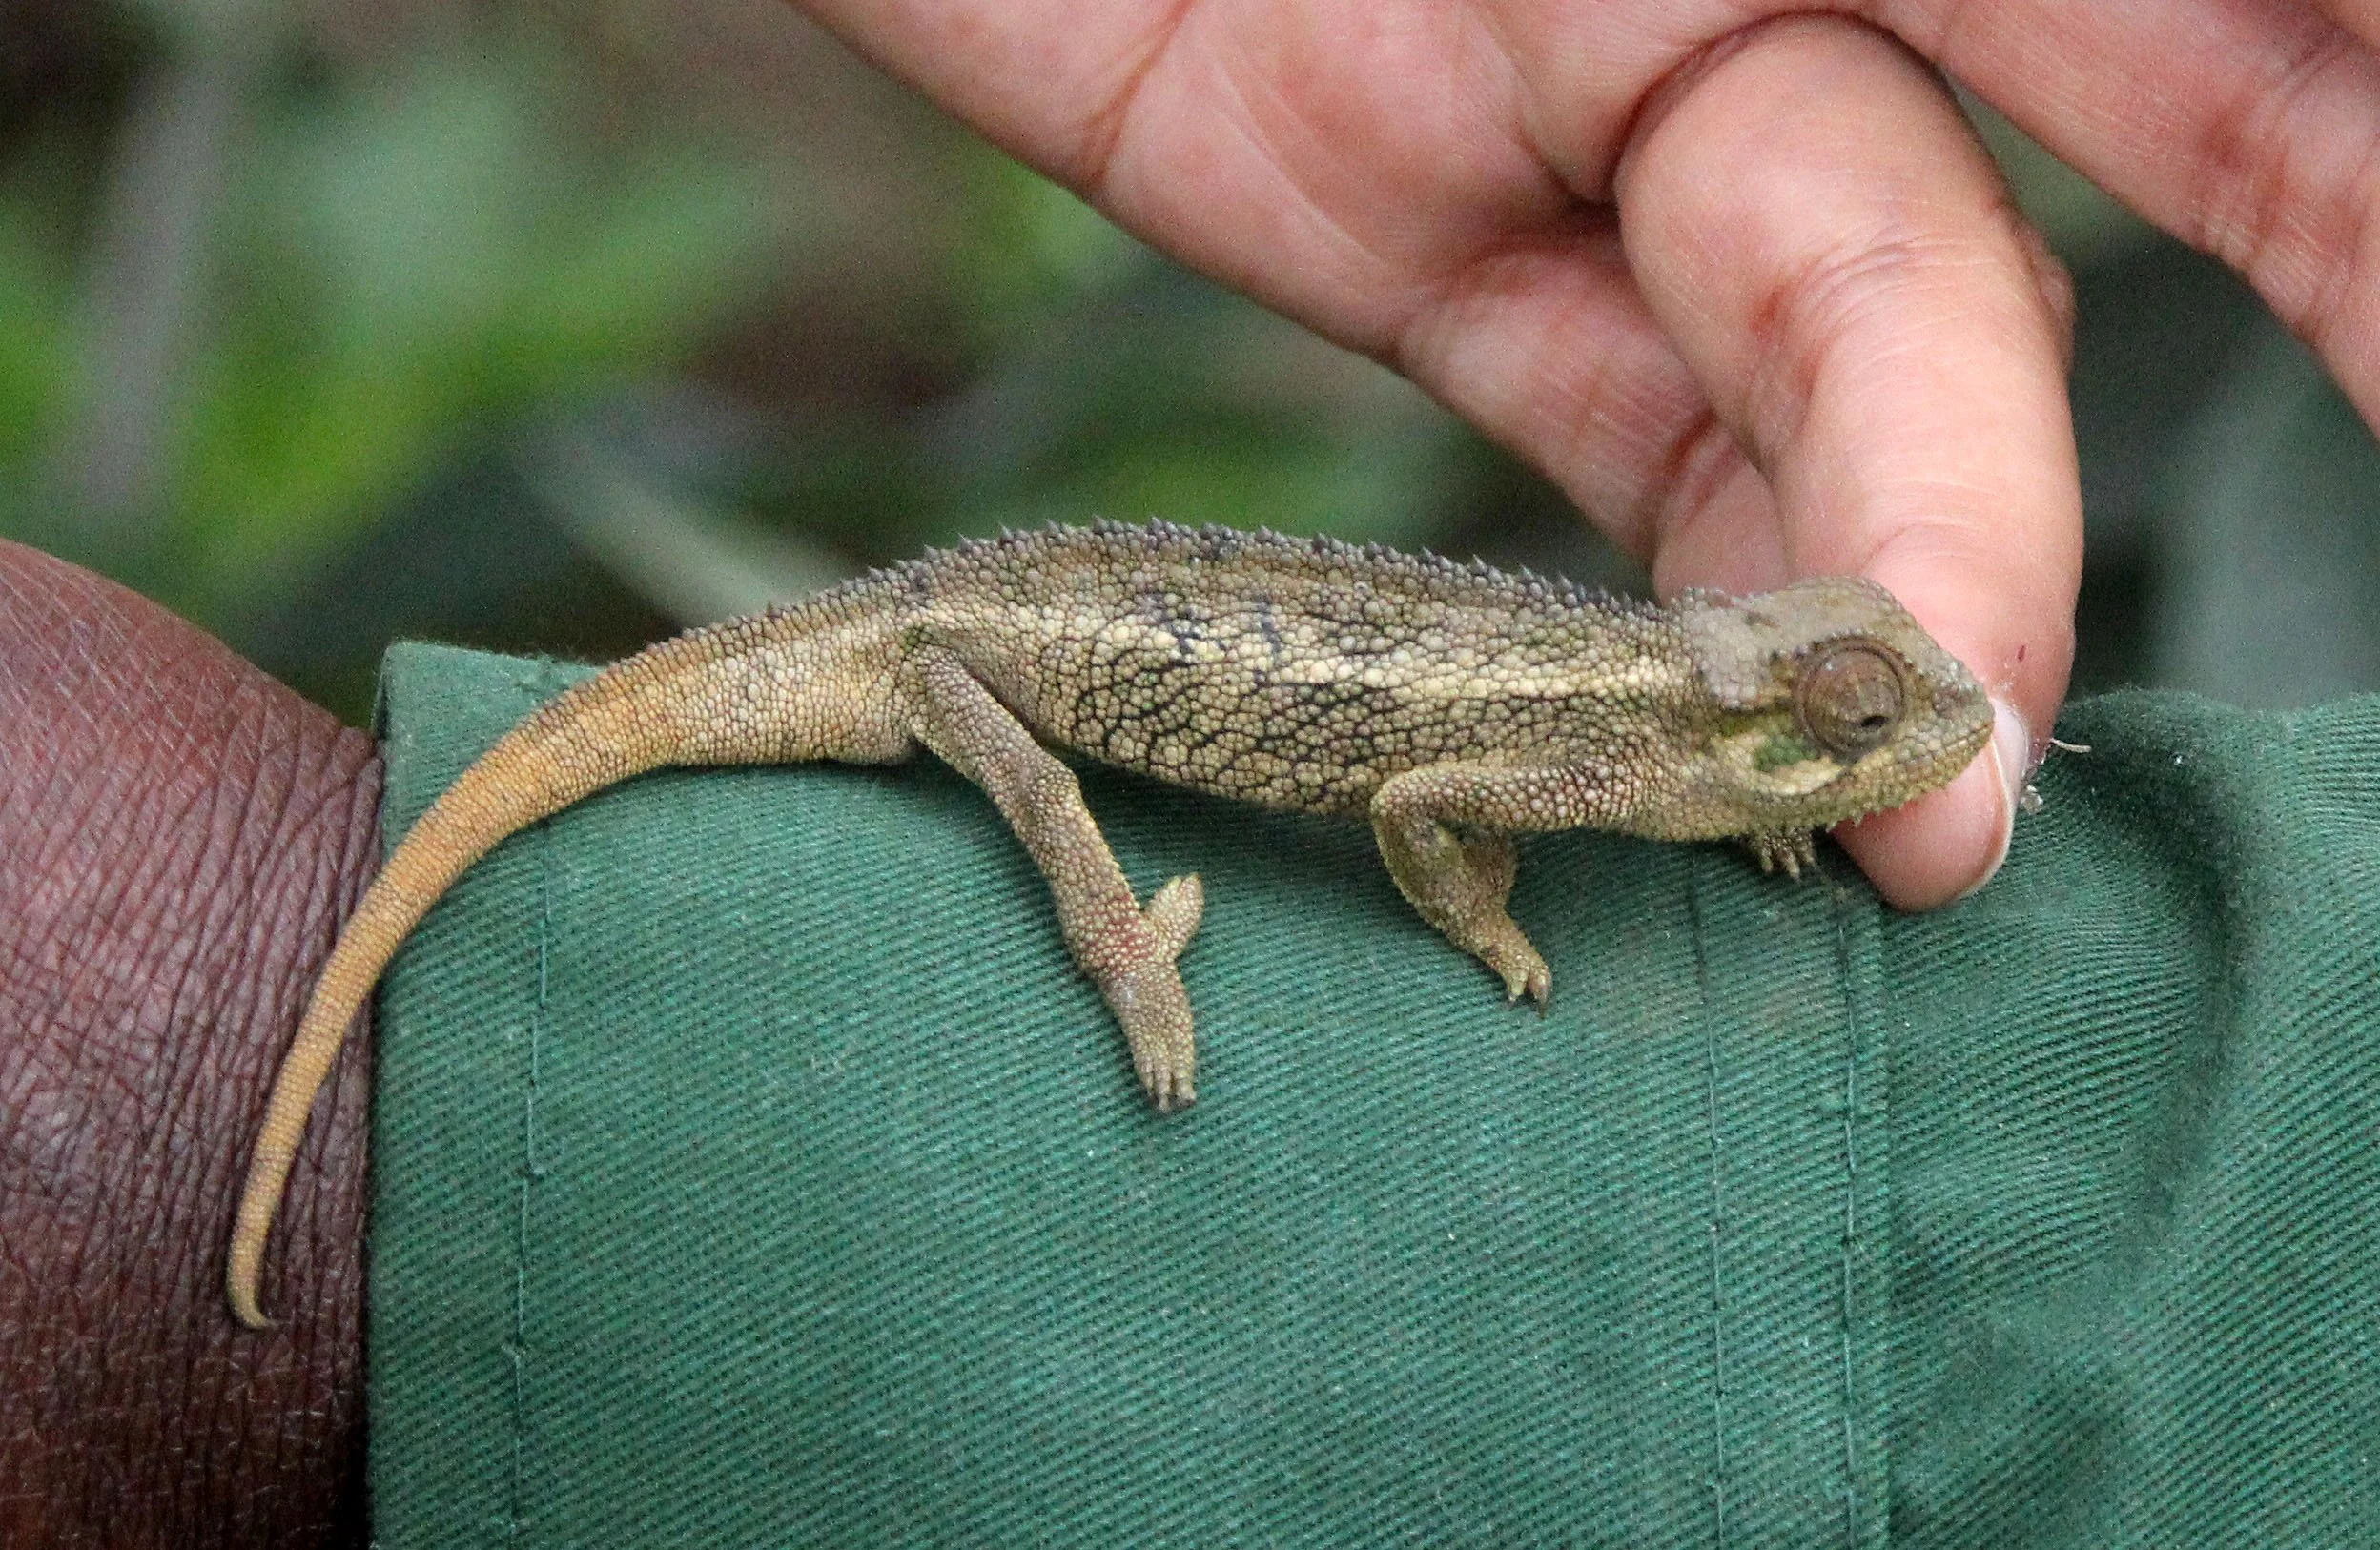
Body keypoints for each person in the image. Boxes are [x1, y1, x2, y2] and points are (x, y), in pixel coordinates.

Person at [10, 4, 2380, 1542]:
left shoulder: (1670, 732)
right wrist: (1474, 927)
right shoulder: (1608, 734)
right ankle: (1117, 958)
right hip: (955, 654)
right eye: (1848, 728)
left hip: (1028, 621)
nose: (1918, 726)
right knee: (1060, 819)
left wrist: (1769, 802)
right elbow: (1422, 811)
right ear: (1752, 706)